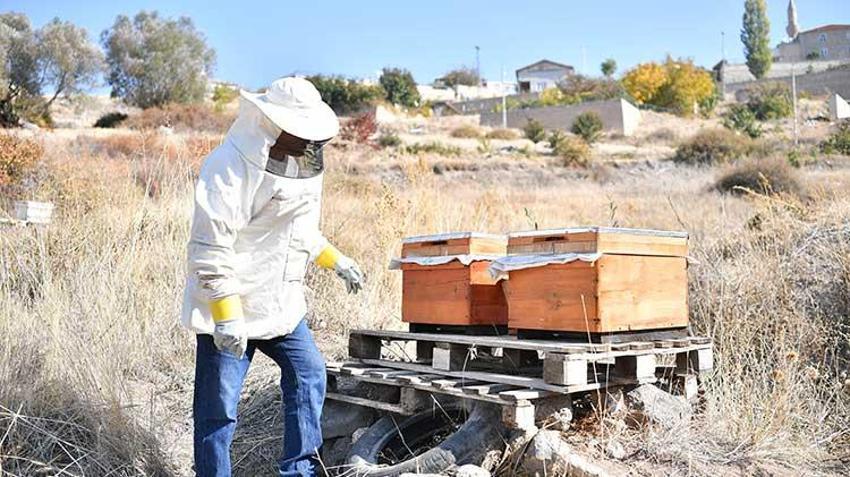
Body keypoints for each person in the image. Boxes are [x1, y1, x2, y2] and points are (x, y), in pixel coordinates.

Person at [180, 76, 363, 477]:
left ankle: (299, 470)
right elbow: (209, 248)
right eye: (301, 133)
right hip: (230, 307)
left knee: (309, 374)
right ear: (273, 124)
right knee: (219, 407)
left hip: (281, 304)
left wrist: (335, 260)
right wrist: (226, 314)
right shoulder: (228, 167)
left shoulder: (302, 163)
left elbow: (298, 229)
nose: (309, 142)